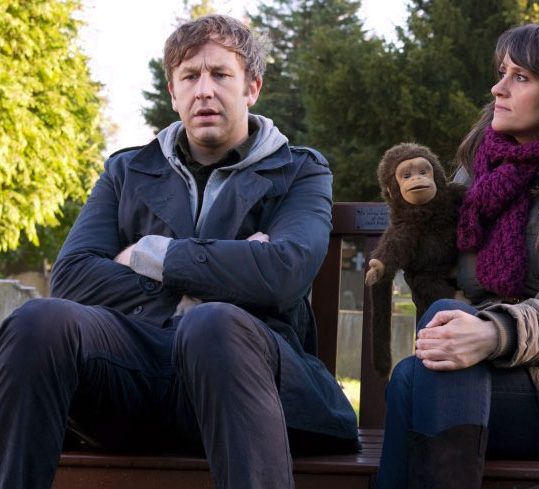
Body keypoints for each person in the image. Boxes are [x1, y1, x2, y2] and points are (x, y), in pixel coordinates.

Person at [0, 14, 358, 489]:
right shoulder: (128, 170)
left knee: (212, 324)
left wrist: (150, 255)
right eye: (190, 77)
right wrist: (230, 269)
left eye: (220, 74)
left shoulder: (299, 171)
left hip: (245, 379)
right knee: (39, 320)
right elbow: (73, 277)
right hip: (135, 378)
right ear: (173, 92)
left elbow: (283, 274)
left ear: (252, 88)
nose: (204, 91)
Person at [375, 22, 539, 489]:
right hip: (481, 372)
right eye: (502, 73)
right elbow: (434, 265)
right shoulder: (476, 177)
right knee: (424, 362)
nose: (498, 88)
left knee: (417, 379)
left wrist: (493, 333)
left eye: (520, 77)